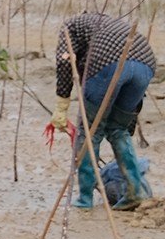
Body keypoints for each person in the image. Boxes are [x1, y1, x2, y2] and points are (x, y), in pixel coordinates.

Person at [50, 11, 155, 210]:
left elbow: (65, 61)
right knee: (118, 130)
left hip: (108, 63)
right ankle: (136, 192)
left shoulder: (69, 26)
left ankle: (85, 199)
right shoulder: (108, 24)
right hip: (146, 64)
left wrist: (61, 106)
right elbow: (133, 106)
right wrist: (125, 125)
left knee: (89, 133)